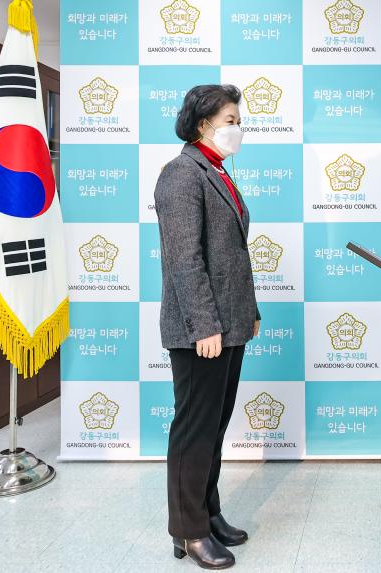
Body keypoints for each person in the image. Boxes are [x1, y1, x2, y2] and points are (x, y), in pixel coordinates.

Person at [154, 84, 260, 570]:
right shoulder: (181, 173)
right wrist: (204, 326)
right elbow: (184, 259)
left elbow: (233, 255)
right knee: (194, 429)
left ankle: (208, 512)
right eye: (230, 120)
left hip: (229, 322)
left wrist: (248, 313)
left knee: (214, 427)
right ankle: (189, 530)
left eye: (239, 120)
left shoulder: (216, 170)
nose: (238, 128)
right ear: (203, 124)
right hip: (202, 329)